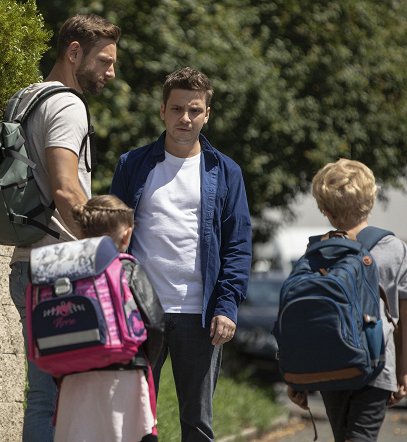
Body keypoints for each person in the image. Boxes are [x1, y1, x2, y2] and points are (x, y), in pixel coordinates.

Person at [110, 66, 252, 441]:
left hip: (199, 314)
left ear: (207, 114)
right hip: (140, 310)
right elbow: (111, 238)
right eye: (176, 109)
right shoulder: (133, 165)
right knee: (134, 420)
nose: (184, 118)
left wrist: (226, 305)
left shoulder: (226, 172)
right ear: (162, 111)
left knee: (198, 424)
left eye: (194, 110)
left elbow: (238, 245)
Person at [7, 14, 121, 441]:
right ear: (74, 52)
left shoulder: (25, 98)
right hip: (61, 268)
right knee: (71, 394)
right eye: (105, 62)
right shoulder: (67, 105)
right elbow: (66, 189)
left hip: (26, 263)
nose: (110, 73)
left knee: (45, 393)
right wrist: (105, 249)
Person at [287, 159, 407, 442]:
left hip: (330, 364)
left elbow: (304, 319)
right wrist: (402, 372)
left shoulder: (316, 252)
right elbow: (404, 316)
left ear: (325, 210)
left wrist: (296, 376)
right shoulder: (395, 250)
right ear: (371, 200)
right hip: (378, 365)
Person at [54, 195, 164, 442]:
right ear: (126, 235)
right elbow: (155, 323)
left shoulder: (61, 271)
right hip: (123, 376)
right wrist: (144, 362)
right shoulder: (127, 268)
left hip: (73, 379)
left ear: (81, 231)